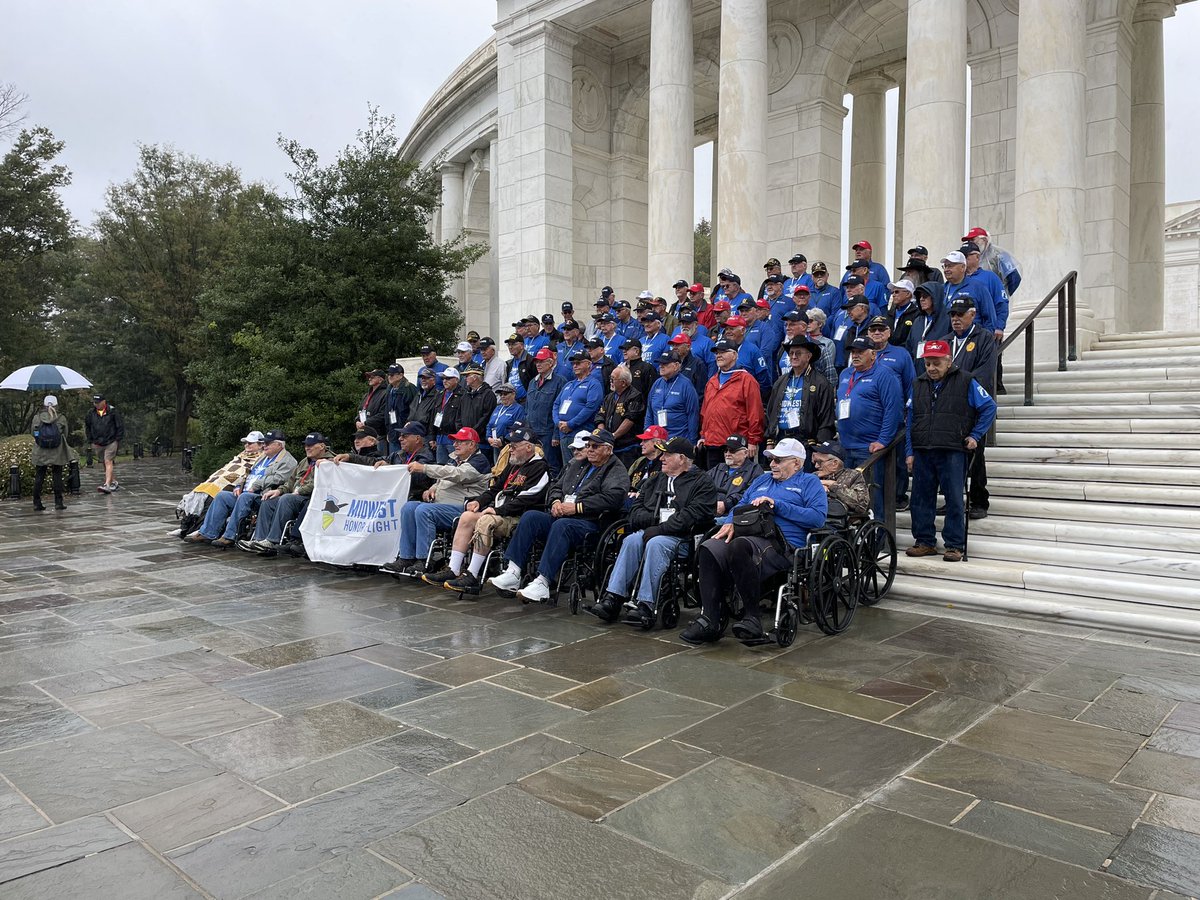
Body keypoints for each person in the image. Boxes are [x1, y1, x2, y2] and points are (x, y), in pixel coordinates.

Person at [680, 438, 827, 645]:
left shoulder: (809, 483)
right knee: (709, 547)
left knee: (740, 547)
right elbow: (740, 504)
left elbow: (818, 518)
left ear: (797, 463)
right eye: (771, 460)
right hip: (747, 534)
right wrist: (730, 522)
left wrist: (778, 505)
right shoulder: (762, 481)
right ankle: (711, 618)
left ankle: (752, 618)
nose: (772, 464)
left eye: (778, 460)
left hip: (782, 543)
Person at [587, 437, 717, 626]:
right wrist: (655, 523)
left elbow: (690, 516)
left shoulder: (702, 483)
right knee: (631, 540)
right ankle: (613, 597)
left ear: (681, 458)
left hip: (684, 538)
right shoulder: (655, 479)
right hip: (653, 531)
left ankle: (646, 604)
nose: (662, 458)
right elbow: (635, 511)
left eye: (667, 454)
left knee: (656, 543)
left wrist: (660, 528)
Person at [490, 428, 630, 602]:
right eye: (588, 445)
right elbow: (555, 486)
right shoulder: (577, 463)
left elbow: (613, 498)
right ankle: (513, 571)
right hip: (562, 514)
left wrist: (577, 507)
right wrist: (556, 501)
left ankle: (543, 581)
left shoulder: (616, 470)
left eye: (595, 446)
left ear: (608, 450)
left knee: (562, 525)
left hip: (590, 523)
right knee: (531, 517)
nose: (590, 449)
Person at [424, 426, 551, 593]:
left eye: (513, 446)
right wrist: (479, 501)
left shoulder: (540, 467)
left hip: (518, 516)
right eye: (509, 446)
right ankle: (453, 569)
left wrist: (498, 511)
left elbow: (529, 497)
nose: (509, 450)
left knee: (485, 520)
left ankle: (472, 575)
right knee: (468, 516)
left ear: (528, 447)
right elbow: (495, 489)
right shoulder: (514, 465)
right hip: (501, 512)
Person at [905, 339, 998, 561]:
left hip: (952, 450)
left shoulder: (966, 380)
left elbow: (989, 407)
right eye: (927, 363)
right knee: (920, 499)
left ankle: (955, 545)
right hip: (923, 449)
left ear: (949, 361)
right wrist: (909, 451)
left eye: (936, 363)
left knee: (955, 498)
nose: (931, 368)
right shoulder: (917, 383)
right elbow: (910, 420)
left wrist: (975, 435)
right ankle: (924, 541)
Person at [382, 427, 491, 577]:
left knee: (424, 510)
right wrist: (433, 487)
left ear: (472, 444)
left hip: (464, 509)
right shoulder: (454, 458)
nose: (455, 444)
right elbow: (443, 478)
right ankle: (406, 558)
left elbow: (457, 475)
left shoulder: (479, 461)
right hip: (442, 505)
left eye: (460, 441)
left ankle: (425, 559)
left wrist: (424, 468)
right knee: (409, 507)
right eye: (455, 441)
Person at [186, 430, 296, 547]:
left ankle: (229, 536)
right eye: (264, 443)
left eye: (268, 443)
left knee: (244, 497)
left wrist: (255, 486)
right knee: (222, 496)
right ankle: (207, 533)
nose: (264, 445)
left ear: (279, 445)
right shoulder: (263, 458)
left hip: (263, 495)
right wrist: (239, 485)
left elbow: (279, 479)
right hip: (246, 492)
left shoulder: (288, 461)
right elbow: (247, 475)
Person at [942, 295, 998, 519]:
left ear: (972, 315)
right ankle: (953, 499)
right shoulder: (945, 340)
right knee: (949, 457)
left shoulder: (984, 338)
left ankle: (978, 500)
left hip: (972, 406)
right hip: (948, 408)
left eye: (960, 314)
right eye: (952, 315)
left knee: (975, 456)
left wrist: (958, 386)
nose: (956, 319)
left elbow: (984, 373)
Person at [836, 336, 904, 520]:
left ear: (873, 354)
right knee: (847, 497)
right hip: (847, 446)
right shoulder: (845, 374)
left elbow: (893, 409)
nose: (855, 355)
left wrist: (883, 439)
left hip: (869, 448)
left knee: (872, 498)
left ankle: (878, 539)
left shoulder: (884, 375)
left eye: (860, 352)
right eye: (853, 352)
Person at [240, 432, 335, 555]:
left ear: (322, 446)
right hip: (295, 496)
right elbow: (290, 481)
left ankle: (272, 541)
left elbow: (322, 482)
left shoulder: (330, 461)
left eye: (311, 445)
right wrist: (279, 490)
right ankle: (259, 540)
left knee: (286, 499)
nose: (307, 448)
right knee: (268, 499)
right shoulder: (304, 462)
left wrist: (299, 490)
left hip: (312, 498)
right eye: (306, 445)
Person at [698, 340, 765, 469]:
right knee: (714, 484)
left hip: (735, 446)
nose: (718, 355)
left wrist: (753, 441)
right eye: (717, 352)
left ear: (734, 355)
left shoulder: (747, 380)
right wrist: (703, 435)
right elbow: (705, 412)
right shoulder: (712, 381)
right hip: (712, 444)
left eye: (723, 352)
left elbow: (755, 413)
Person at [764, 335, 836, 453]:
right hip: (781, 439)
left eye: (798, 353)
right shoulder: (780, 382)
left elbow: (826, 418)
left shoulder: (821, 383)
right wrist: (770, 441)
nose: (793, 356)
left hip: (807, 443)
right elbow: (771, 412)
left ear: (808, 356)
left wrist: (819, 446)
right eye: (791, 353)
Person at [555, 351, 605, 470]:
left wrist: (571, 424)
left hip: (581, 432)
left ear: (588, 364)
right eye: (573, 363)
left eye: (578, 363)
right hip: (563, 432)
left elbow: (591, 407)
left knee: (580, 467)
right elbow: (556, 404)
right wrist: (558, 422)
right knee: (567, 467)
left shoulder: (593, 384)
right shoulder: (569, 384)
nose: (575, 366)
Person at [525, 347, 566, 478]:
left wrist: (556, 434)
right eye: (537, 362)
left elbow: (559, 410)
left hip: (548, 432)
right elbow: (527, 407)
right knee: (533, 465)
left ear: (551, 363)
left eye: (542, 361)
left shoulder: (560, 381)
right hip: (532, 432)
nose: (538, 364)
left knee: (552, 465)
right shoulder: (532, 382)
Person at [596, 365, 646, 466]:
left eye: (613, 379)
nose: (610, 381)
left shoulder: (635, 396)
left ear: (623, 383)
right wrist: (602, 435)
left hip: (627, 447)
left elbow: (630, 419)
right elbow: (600, 416)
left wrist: (614, 436)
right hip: (609, 445)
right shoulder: (609, 397)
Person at [645, 351, 700, 442]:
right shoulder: (657, 384)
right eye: (660, 363)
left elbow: (693, 415)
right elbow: (649, 412)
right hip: (657, 440)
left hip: (678, 440)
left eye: (665, 364)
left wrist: (692, 442)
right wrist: (647, 434)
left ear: (676, 365)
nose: (661, 366)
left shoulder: (686, 385)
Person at [811, 440, 870, 520]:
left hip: (837, 522)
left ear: (834, 463)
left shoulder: (853, 476)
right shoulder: (814, 476)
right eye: (815, 462)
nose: (816, 466)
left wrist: (832, 485)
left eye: (819, 462)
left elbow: (861, 505)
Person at [31, 395, 71, 511]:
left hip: (40, 450)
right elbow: (66, 433)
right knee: (57, 475)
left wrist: (40, 439)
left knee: (39, 476)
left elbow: (34, 433)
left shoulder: (37, 418)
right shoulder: (61, 418)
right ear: (56, 404)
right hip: (57, 450)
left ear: (44, 405)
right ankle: (58, 502)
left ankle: (37, 503)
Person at [941, 251, 997, 333]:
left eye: (950, 266)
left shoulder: (977, 287)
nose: (946, 270)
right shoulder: (941, 289)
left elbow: (990, 318)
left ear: (963, 267)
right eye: (945, 266)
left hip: (972, 340)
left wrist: (984, 340)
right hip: (947, 340)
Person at [708, 434, 764, 515]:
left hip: (736, 516)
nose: (727, 453)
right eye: (725, 450)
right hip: (710, 512)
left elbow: (751, 494)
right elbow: (702, 484)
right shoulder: (718, 468)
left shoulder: (754, 470)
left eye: (732, 450)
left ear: (745, 453)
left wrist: (726, 504)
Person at [720, 315, 773, 397]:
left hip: (747, 399)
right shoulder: (721, 350)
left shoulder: (753, 350)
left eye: (732, 328)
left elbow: (764, 380)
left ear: (743, 330)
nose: (728, 332)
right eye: (726, 329)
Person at [964, 226, 1021, 296]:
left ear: (984, 240)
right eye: (969, 241)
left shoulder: (998, 254)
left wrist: (1002, 296)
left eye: (973, 240)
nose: (970, 243)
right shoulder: (970, 257)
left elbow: (1014, 277)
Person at [85, 393, 125, 493]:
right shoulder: (91, 413)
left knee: (108, 461)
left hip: (111, 441)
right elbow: (88, 427)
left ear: (104, 402)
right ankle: (113, 482)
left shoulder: (112, 411)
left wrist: (117, 439)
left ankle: (106, 484)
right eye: (95, 403)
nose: (96, 404)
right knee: (104, 462)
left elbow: (119, 425)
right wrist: (91, 440)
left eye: (98, 402)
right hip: (97, 442)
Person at [457, 363, 498, 456]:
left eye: (467, 375)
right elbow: (458, 415)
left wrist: (472, 433)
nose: (465, 378)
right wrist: (461, 432)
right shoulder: (465, 394)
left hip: (481, 441)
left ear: (475, 377)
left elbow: (487, 417)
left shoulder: (488, 394)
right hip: (465, 440)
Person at [906, 283, 949, 358]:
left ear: (935, 297)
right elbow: (909, 346)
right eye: (919, 297)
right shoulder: (917, 321)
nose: (921, 299)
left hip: (939, 366)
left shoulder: (948, 319)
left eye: (925, 296)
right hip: (918, 366)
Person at [431, 367, 464, 464]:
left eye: (448, 378)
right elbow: (433, 415)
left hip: (453, 437)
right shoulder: (440, 394)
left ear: (457, 379)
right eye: (443, 378)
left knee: (454, 465)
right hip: (440, 436)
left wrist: (459, 438)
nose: (445, 381)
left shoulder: (463, 394)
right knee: (440, 466)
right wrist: (433, 437)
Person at [385, 364, 418, 456]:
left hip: (405, 431)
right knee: (394, 458)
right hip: (393, 431)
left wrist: (408, 429)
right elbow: (387, 410)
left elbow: (414, 410)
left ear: (400, 375)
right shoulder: (389, 389)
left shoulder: (410, 388)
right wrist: (388, 430)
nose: (389, 377)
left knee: (404, 458)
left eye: (392, 375)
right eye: (388, 374)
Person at [627, 425, 667, 497]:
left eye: (645, 440)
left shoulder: (665, 464)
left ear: (658, 442)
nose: (641, 444)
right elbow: (627, 483)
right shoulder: (639, 462)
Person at [485, 383, 525, 452]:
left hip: (508, 445)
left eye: (505, 394)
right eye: (501, 394)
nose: (502, 396)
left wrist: (503, 440)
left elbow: (518, 428)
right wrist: (488, 437)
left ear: (513, 394)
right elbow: (490, 425)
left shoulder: (518, 409)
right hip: (494, 444)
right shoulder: (498, 408)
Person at [805, 309, 839, 383]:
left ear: (820, 324)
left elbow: (829, 367)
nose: (807, 324)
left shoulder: (828, 343)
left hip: (820, 381)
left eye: (810, 321)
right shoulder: (803, 340)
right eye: (806, 321)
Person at [885, 279, 920, 349]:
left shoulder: (917, 313)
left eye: (897, 292)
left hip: (906, 352)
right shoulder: (890, 313)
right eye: (892, 292)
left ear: (908, 294)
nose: (893, 295)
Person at [504, 334, 535, 399]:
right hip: (511, 401)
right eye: (509, 345)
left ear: (522, 346)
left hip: (525, 401)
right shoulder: (509, 363)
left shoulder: (531, 361)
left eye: (513, 344)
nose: (510, 347)